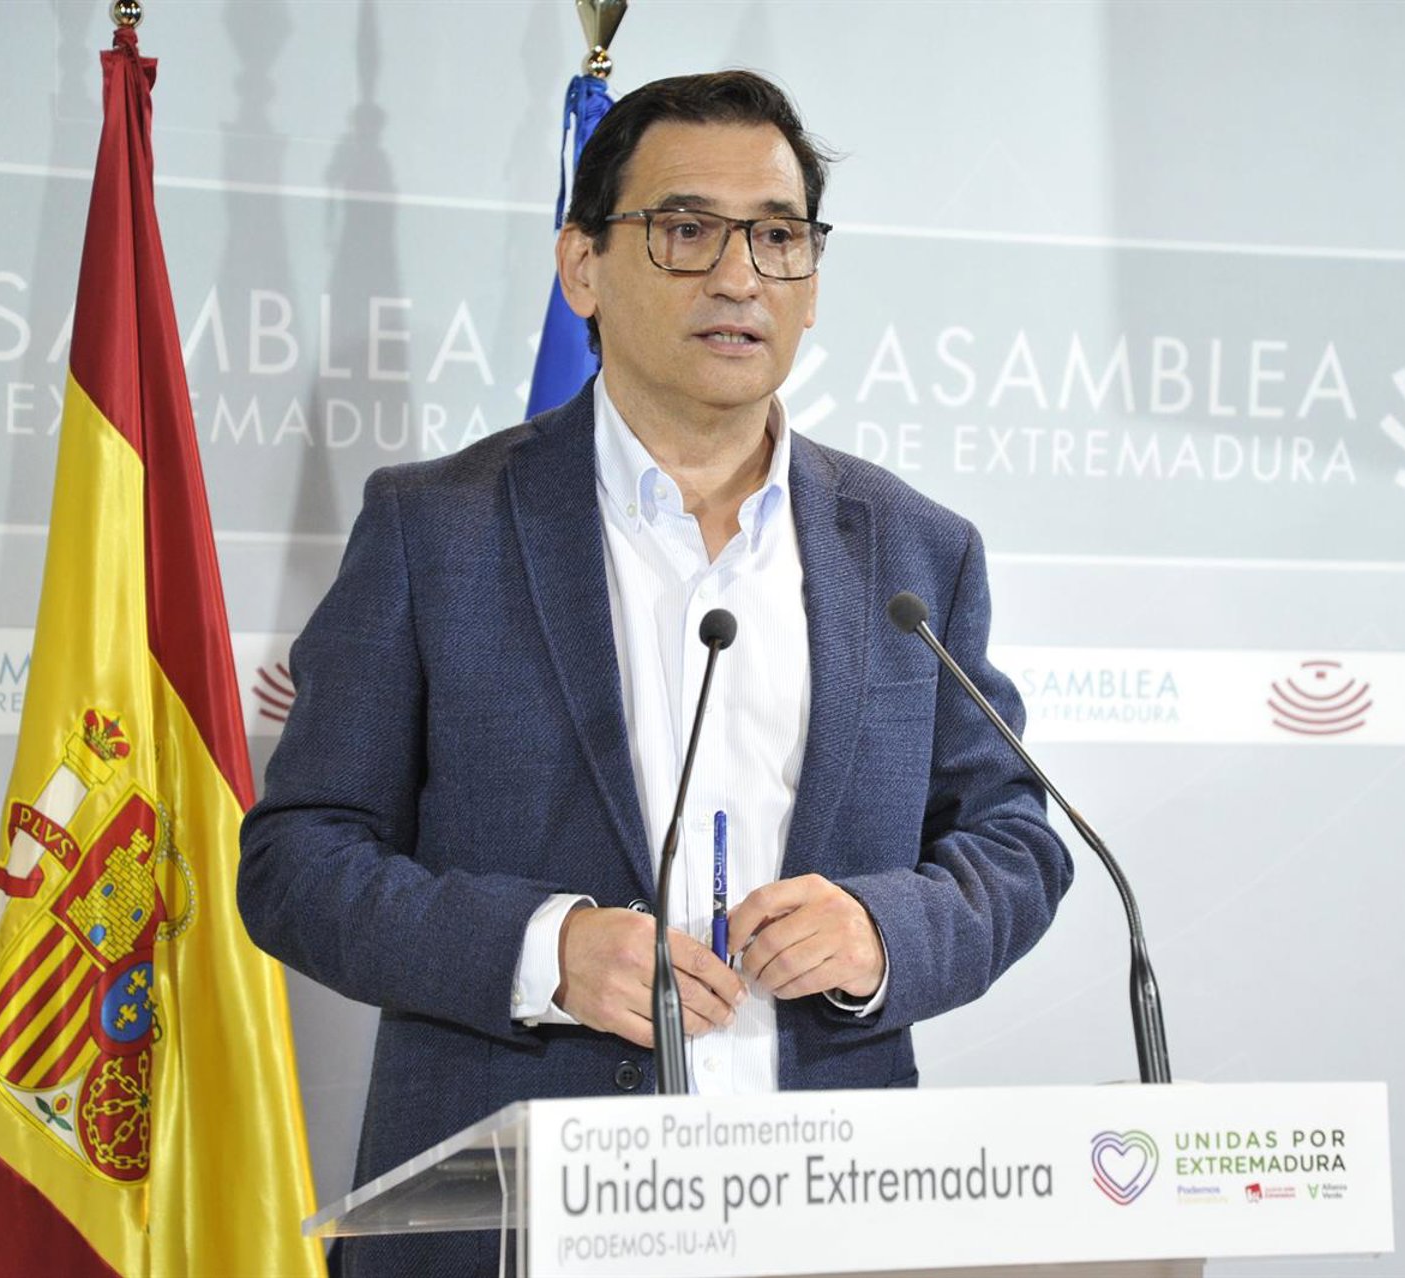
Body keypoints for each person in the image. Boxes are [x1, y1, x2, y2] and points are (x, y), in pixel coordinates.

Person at [238, 70, 1073, 1277]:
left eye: (778, 237)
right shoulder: (438, 529)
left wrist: (880, 933)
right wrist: (543, 952)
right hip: (514, 1222)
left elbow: (1015, 842)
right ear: (582, 265)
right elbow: (298, 862)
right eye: (687, 230)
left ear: (812, 280)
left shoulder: (913, 550)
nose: (740, 277)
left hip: (829, 1214)